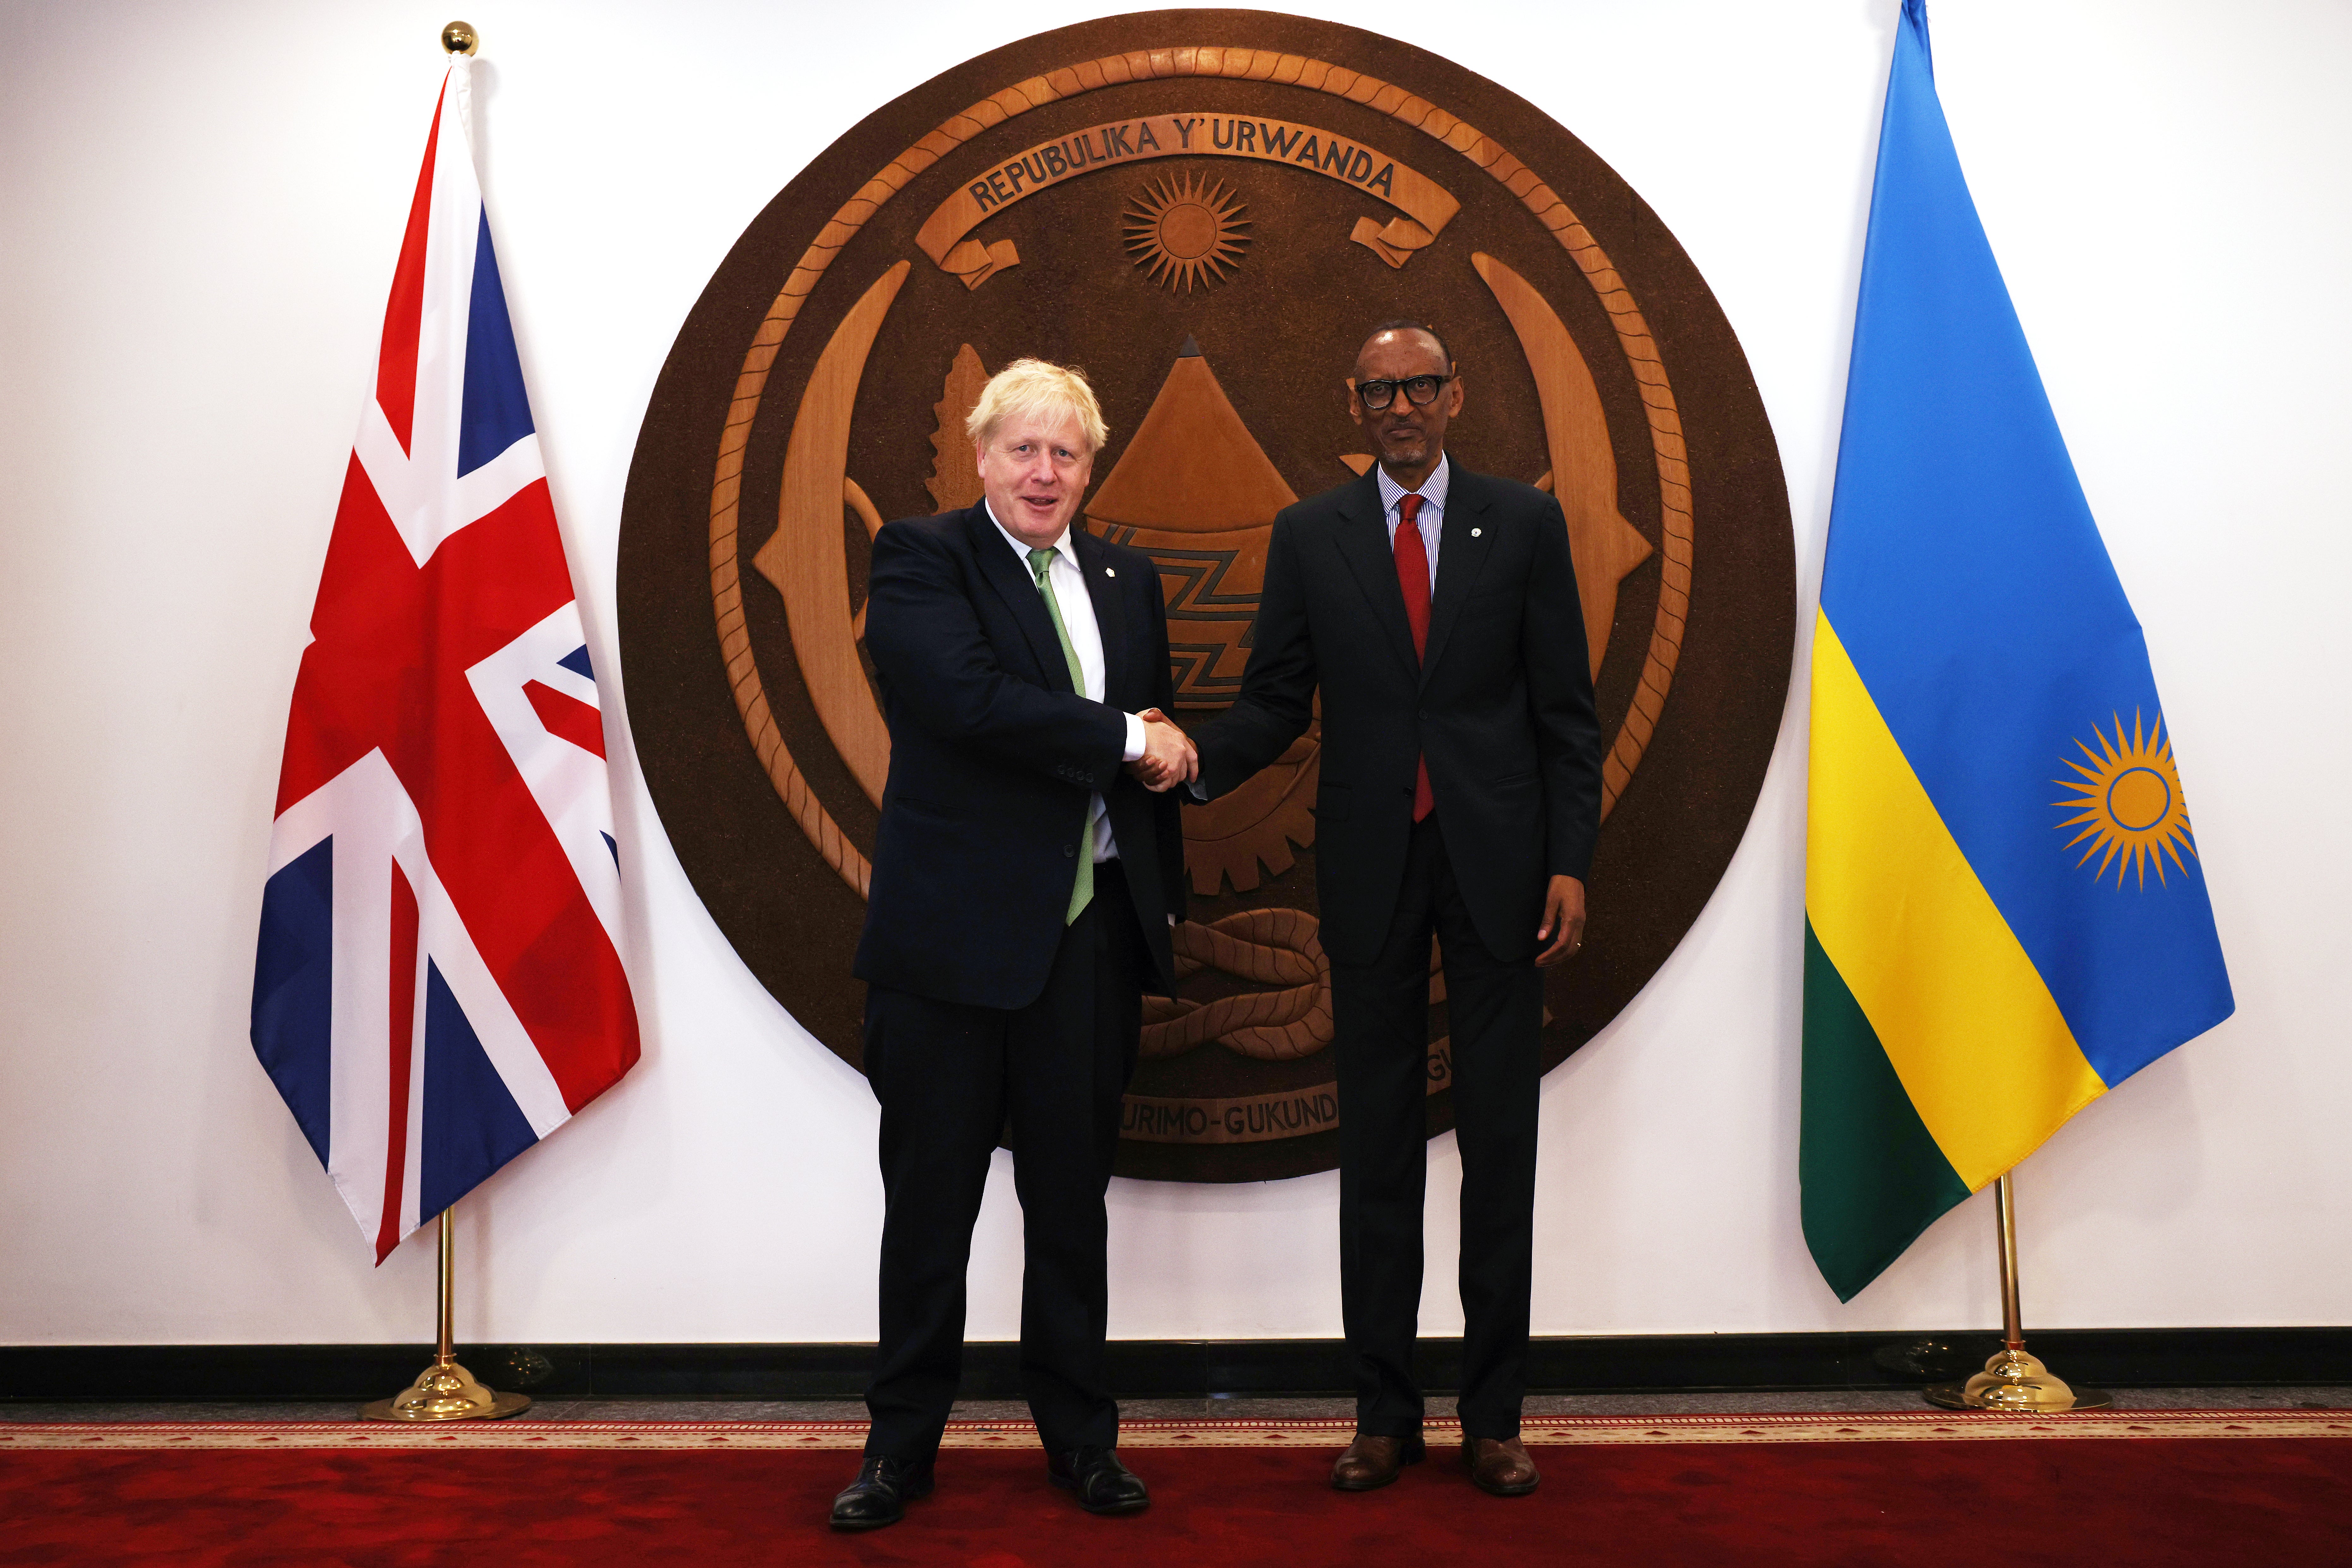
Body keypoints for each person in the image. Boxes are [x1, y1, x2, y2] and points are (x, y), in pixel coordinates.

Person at [1187, 321, 1602, 1497]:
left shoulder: (1520, 523)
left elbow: (1565, 714)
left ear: (1453, 395)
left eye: (1420, 385)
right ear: (1355, 405)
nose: (1401, 405)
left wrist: (1570, 860)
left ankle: (1494, 1419)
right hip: (1368, 873)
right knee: (1374, 1151)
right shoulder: (1309, 535)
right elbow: (1272, 701)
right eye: (1379, 390)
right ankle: (1381, 1414)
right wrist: (1193, 764)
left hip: (1503, 877)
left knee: (1499, 1150)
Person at [831, 359, 1197, 1531]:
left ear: (1091, 470)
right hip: (951, 946)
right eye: (1023, 450)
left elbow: (1146, 752)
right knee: (929, 1209)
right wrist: (1127, 735)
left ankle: (1082, 1440)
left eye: (1068, 455)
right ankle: (898, 1450)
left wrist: (1168, 755)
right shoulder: (921, 557)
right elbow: (964, 699)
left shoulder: (1127, 579)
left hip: (1088, 944)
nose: (1045, 473)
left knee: (1072, 1208)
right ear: (979, 458)